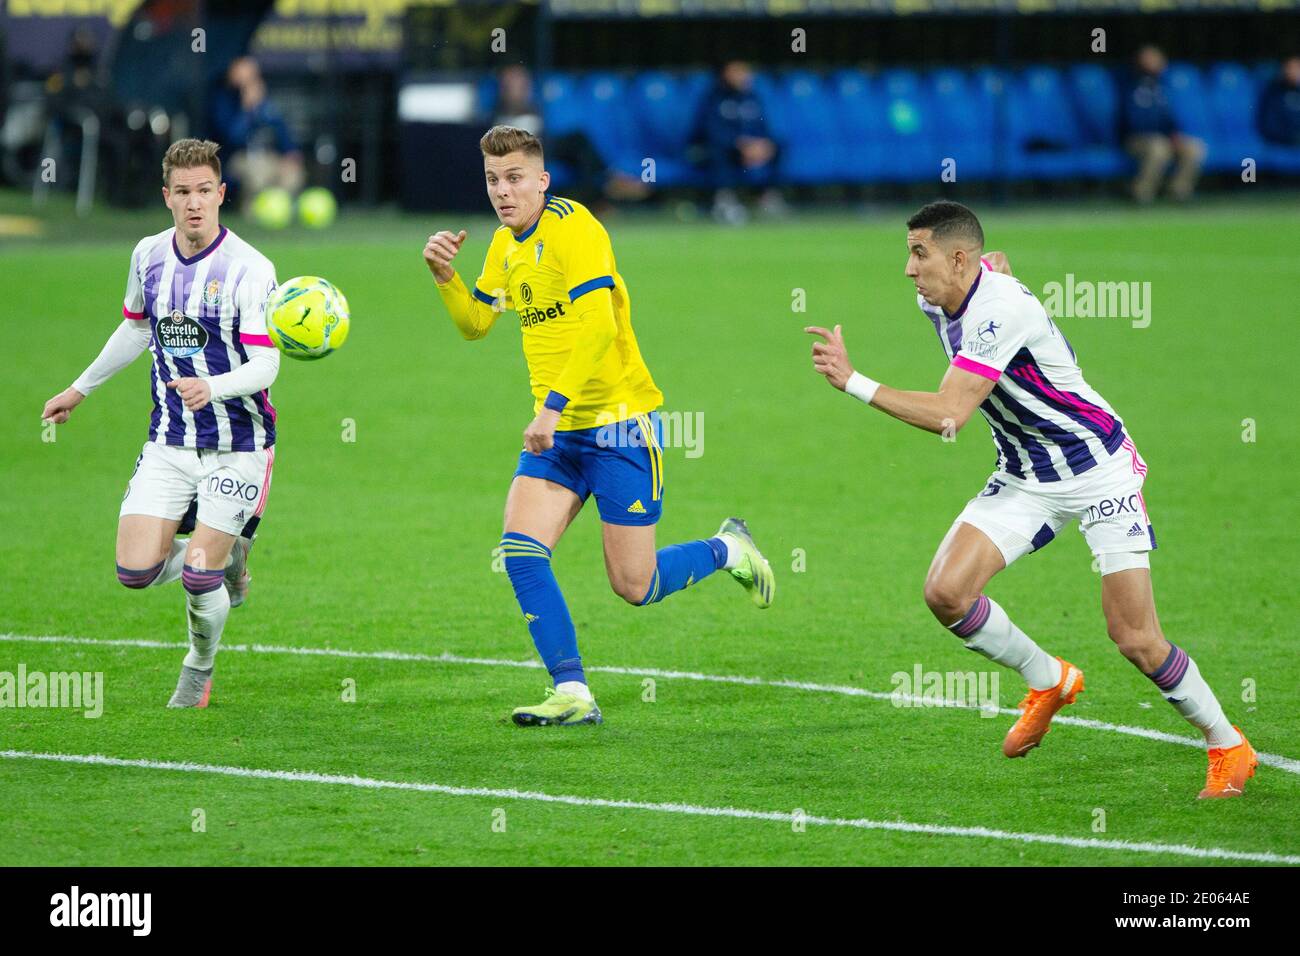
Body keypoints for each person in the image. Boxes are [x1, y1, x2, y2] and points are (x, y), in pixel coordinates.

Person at [805, 200, 1256, 798]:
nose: (909, 270)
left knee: (1135, 637)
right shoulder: (945, 295)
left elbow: (949, 416)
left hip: (1098, 472)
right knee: (946, 592)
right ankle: (1050, 679)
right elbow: (994, 278)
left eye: (920, 253)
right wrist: (999, 274)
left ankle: (1228, 743)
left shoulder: (1000, 309)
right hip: (1025, 474)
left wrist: (852, 382)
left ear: (958, 258)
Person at [423, 125, 775, 727]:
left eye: (514, 179)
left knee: (634, 585)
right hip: (557, 436)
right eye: (492, 181)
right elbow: (477, 323)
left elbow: (597, 331)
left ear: (543, 179)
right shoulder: (504, 246)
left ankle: (728, 549)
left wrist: (550, 409)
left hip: (618, 428)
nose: (502, 192)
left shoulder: (577, 230)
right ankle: (573, 692)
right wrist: (446, 278)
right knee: (521, 552)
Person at [40, 138, 281, 709]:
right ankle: (230, 556)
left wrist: (212, 387)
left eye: (205, 192)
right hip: (169, 441)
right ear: (166, 196)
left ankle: (198, 668)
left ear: (222, 194)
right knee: (135, 573)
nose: (194, 203)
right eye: (183, 193)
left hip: (237, 443)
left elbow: (267, 361)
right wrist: (80, 389)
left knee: (199, 577)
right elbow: (134, 328)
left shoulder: (250, 268)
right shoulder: (147, 256)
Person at [490, 65, 647, 210]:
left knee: (580, 150)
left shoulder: (533, 108)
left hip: (541, 147)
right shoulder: (498, 115)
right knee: (577, 141)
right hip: (524, 153)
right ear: (504, 89)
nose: (521, 90)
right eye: (515, 86)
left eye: (524, 85)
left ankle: (603, 190)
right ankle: (610, 182)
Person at [690, 61, 784, 225]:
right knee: (717, 150)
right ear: (725, 74)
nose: (743, 76)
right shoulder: (713, 98)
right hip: (719, 149)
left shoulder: (752, 97)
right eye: (737, 71)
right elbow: (709, 131)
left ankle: (766, 196)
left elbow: (764, 127)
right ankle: (725, 199)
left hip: (750, 150)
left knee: (779, 147)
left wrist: (762, 144)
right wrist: (740, 145)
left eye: (745, 71)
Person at [207, 57, 304, 205]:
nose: (249, 80)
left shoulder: (264, 101)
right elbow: (232, 137)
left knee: (292, 175)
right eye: (243, 74)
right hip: (237, 158)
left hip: (269, 155)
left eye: (253, 76)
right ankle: (252, 209)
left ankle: (280, 210)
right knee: (259, 172)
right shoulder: (223, 99)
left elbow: (280, 129)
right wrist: (248, 110)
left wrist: (289, 153)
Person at [1120, 45, 1205, 203]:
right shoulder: (1129, 84)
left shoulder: (1162, 86)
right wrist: (1160, 135)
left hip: (1163, 137)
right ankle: (1141, 194)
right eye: (1151, 58)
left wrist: (1174, 134)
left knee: (1194, 147)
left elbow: (1168, 117)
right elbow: (1132, 120)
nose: (1156, 62)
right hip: (1136, 139)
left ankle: (1178, 192)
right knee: (1158, 148)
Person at [1258, 56, 1300, 147]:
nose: (1293, 72)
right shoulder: (1273, 93)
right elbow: (1269, 125)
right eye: (1290, 67)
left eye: (1297, 68)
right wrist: (1292, 137)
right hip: (1281, 142)